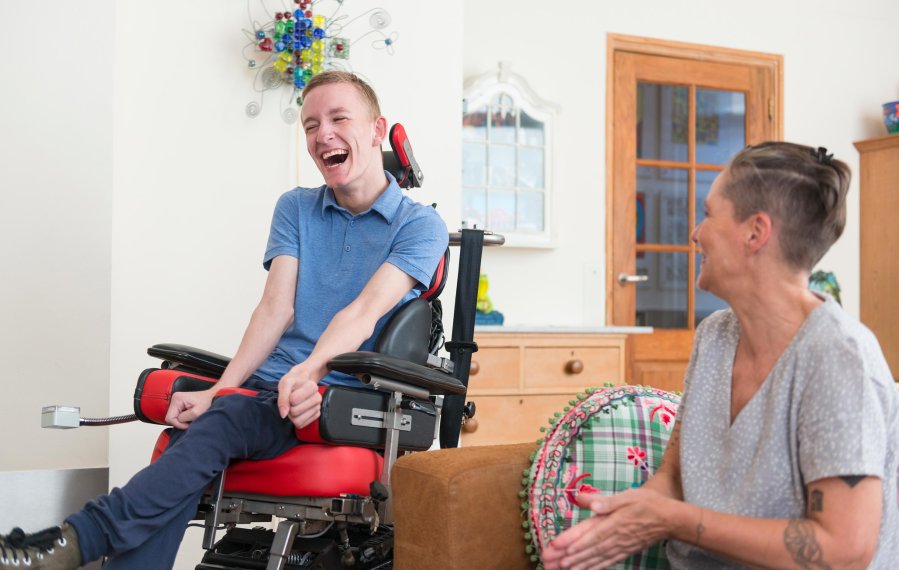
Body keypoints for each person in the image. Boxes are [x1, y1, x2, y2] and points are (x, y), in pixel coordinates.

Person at [0, 71, 448, 569]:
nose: (323, 135)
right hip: (267, 392)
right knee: (190, 452)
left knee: (212, 430)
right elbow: (275, 308)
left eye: (339, 118)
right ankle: (75, 543)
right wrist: (220, 390)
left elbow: (363, 311)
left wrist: (311, 370)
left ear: (376, 129)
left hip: (337, 399)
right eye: (310, 125)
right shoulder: (297, 207)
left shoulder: (420, 226)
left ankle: (75, 540)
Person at [542, 142, 899, 569]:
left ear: (755, 232)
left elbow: (842, 550)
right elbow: (674, 478)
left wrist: (675, 521)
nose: (696, 233)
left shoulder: (839, 358)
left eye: (709, 214)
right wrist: (628, 517)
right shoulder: (714, 336)